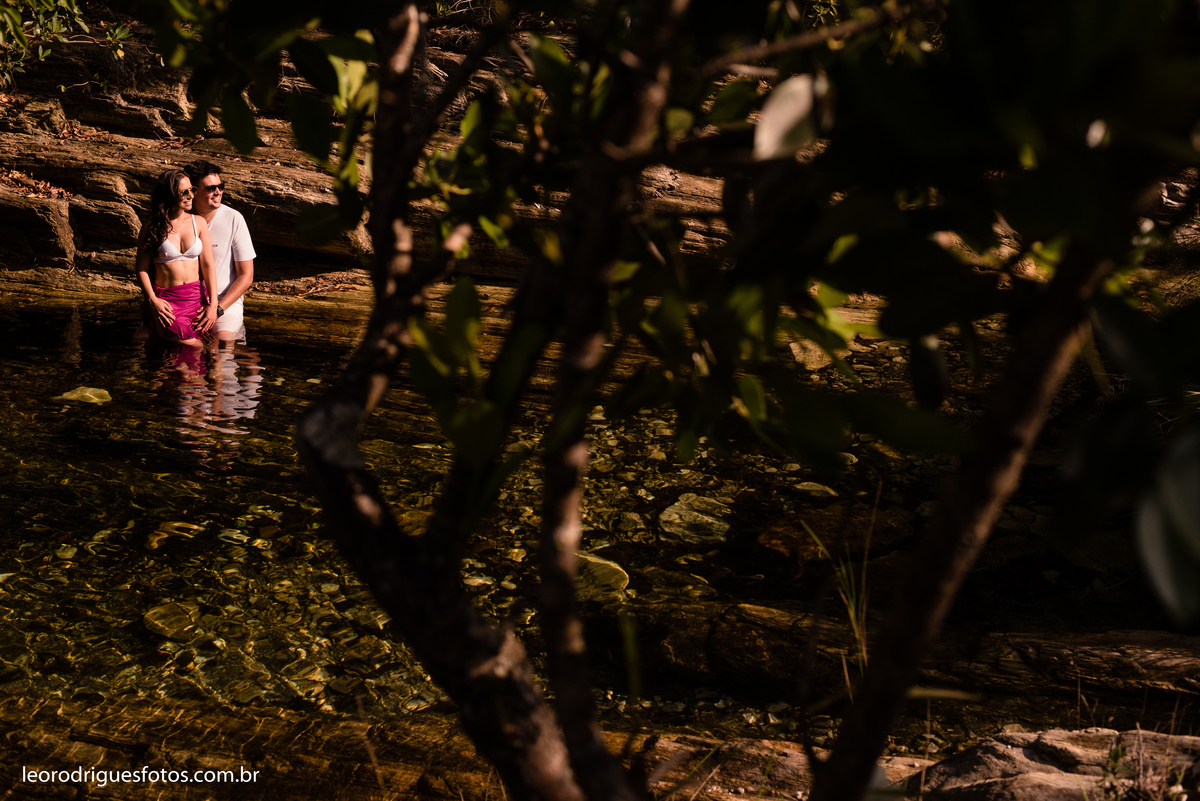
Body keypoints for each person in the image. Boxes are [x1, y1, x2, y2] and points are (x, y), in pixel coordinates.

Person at [135, 169, 218, 346]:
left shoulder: (199, 223)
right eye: (184, 192)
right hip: (167, 302)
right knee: (193, 345)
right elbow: (141, 268)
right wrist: (152, 301)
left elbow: (209, 266)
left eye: (192, 190)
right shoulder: (152, 226)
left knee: (205, 348)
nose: (191, 196)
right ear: (169, 194)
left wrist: (212, 306)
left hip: (196, 300)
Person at [183, 160, 256, 341]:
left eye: (220, 186)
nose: (218, 192)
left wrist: (218, 308)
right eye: (211, 188)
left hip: (224, 302)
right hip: (185, 299)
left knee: (222, 341)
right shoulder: (180, 218)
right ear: (193, 190)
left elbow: (246, 276)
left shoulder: (234, 219)